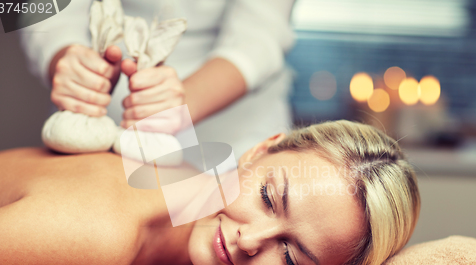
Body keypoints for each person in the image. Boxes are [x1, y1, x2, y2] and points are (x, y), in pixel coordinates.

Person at [0, 120, 420, 265]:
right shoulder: (103, 235)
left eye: (290, 257)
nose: (249, 242)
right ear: (260, 149)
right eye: (269, 198)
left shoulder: (177, 176)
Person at [20, 0, 296, 161]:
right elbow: (43, 8)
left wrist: (179, 103)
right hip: (100, 109)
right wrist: (67, 59)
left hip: (231, 128)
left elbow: (261, 34)